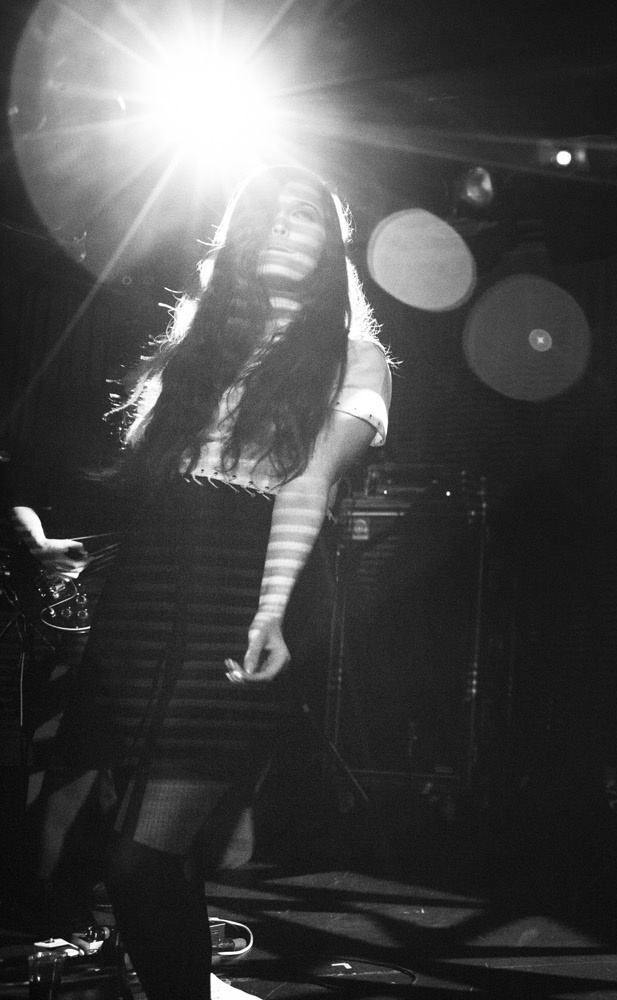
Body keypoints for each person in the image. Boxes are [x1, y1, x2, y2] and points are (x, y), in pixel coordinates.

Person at [32, 164, 392, 999]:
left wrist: (271, 610)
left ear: (332, 247)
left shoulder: (357, 357)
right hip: (152, 588)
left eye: (303, 215)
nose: (282, 226)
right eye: (264, 214)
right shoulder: (199, 349)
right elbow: (157, 488)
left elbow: (308, 484)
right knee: (127, 853)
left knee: (139, 857)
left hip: (245, 583)